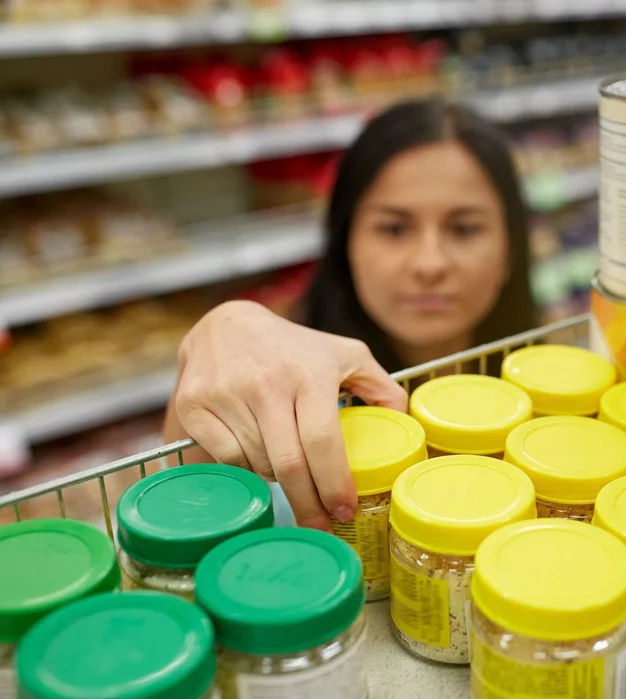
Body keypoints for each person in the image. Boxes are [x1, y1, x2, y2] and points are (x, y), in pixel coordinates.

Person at [163, 98, 537, 531]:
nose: (429, 264)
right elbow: (182, 513)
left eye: (464, 228)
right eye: (394, 228)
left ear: (511, 247)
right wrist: (218, 331)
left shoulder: (553, 397)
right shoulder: (281, 390)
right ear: (346, 243)